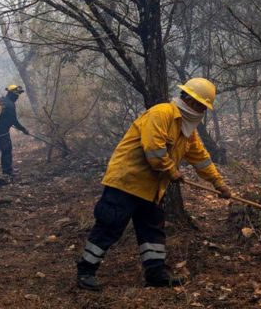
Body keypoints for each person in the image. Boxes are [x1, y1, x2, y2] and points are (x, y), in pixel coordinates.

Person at [76, 78, 231, 290]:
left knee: (152, 229)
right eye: (202, 106)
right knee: (110, 224)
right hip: (126, 181)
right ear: (191, 101)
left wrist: (218, 184)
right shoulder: (161, 113)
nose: (202, 110)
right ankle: (86, 271)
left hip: (151, 189)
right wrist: (172, 171)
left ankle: (156, 273)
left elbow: (201, 159)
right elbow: (154, 150)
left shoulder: (187, 131)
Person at [0, 84, 29, 179]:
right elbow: (14, 121)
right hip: (3, 135)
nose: (17, 97)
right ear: (11, 94)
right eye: (16, 95)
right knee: (6, 152)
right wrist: (23, 129)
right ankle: (7, 172)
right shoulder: (10, 105)